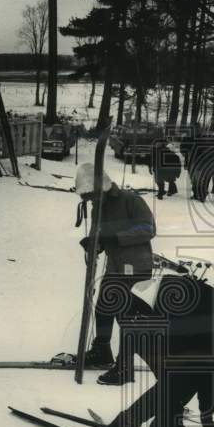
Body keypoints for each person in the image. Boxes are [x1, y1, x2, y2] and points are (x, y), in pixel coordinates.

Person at [98, 272, 214, 427]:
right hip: (145, 307)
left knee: (188, 373)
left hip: (162, 310)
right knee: (183, 376)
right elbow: (213, 385)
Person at [74, 162, 156, 386]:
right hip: (115, 266)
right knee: (104, 308)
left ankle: (125, 367)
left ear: (102, 187)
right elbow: (100, 234)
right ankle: (102, 350)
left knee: (127, 318)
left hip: (136, 267)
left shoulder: (130, 200)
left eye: (92, 194)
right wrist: (94, 244)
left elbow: (148, 230)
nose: (90, 200)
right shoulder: (98, 207)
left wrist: (114, 238)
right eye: (87, 197)